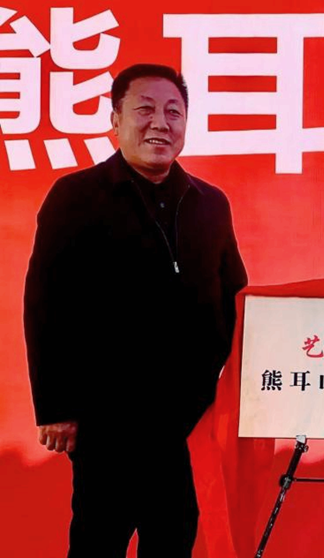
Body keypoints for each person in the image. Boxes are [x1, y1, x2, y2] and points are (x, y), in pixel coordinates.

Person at [24, 63, 248, 557]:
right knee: (98, 539)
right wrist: (55, 407)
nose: (160, 124)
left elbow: (235, 296)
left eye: (173, 112)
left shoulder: (211, 203)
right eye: (144, 110)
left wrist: (234, 391)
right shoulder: (76, 196)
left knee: (174, 536)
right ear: (115, 120)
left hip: (187, 420)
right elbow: (45, 304)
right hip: (106, 418)